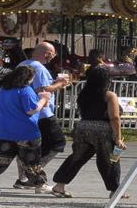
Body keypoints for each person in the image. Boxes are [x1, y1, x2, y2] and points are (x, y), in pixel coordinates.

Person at [49, 63, 127, 199]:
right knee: (112, 159)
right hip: (103, 130)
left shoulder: (84, 93)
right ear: (107, 81)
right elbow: (114, 117)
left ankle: (59, 185)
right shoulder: (109, 95)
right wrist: (118, 138)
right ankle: (115, 189)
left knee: (77, 157)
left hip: (83, 127)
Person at [0, 65, 51, 195]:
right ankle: (40, 185)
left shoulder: (4, 89)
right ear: (28, 78)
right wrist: (44, 99)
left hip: (2, 130)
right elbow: (31, 109)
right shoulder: (26, 90)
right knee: (31, 159)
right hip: (25, 131)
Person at [15, 41, 73, 189]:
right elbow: (42, 89)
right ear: (47, 54)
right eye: (52, 55)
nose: (53, 58)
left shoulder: (22, 64)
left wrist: (54, 83)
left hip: (25, 111)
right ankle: (34, 172)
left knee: (29, 146)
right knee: (57, 142)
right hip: (42, 112)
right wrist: (60, 83)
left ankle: (22, 178)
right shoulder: (39, 68)